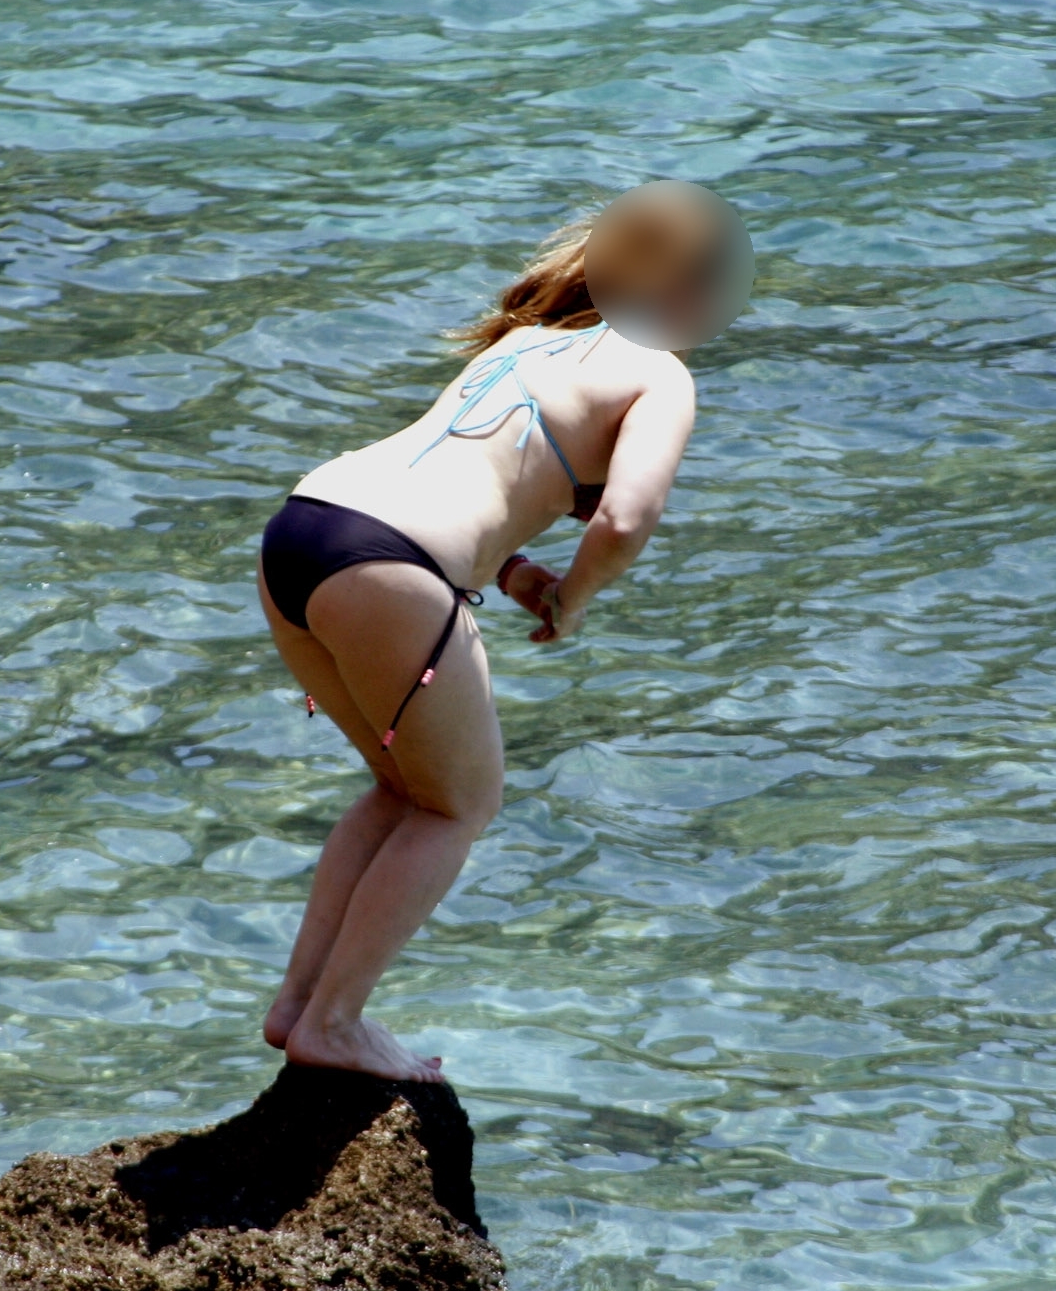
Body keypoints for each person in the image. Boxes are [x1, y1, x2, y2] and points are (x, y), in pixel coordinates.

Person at [254, 181, 752, 1082]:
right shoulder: (660, 373)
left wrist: (515, 573)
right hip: (389, 569)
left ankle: (298, 1005)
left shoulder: (531, 340)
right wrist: (576, 594)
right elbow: (626, 519)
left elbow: (472, 478)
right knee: (459, 807)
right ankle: (332, 1020)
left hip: (305, 529)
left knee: (401, 791)